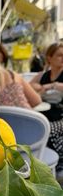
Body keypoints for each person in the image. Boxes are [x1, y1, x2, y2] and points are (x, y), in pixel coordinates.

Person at [30, 43, 63, 173]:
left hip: (61, 116)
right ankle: (37, 163)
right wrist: (37, 87)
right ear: (49, 58)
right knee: (34, 129)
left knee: (50, 131)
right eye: (59, 55)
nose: (62, 58)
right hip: (44, 114)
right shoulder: (43, 75)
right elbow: (29, 86)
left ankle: (57, 165)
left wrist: (51, 85)